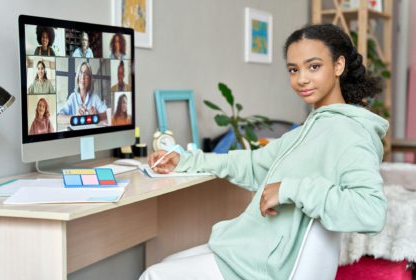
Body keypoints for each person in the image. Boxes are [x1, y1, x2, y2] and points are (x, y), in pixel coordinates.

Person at [141, 24, 389, 280]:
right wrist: (186, 159)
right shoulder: (309, 130)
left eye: (313, 66)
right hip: (259, 252)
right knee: (168, 261)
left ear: (338, 65)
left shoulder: (349, 131)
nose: (301, 78)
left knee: (154, 274)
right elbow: (253, 164)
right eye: (294, 70)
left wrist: (290, 189)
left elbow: (370, 211)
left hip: (267, 266)